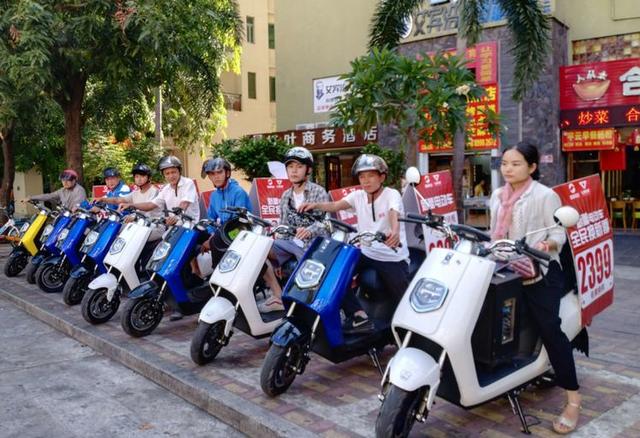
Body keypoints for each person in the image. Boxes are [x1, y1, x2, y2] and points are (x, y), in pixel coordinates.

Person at [489, 141, 581, 434]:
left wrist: (543, 245)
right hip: (505, 270)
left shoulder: (544, 196)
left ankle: (573, 400)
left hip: (540, 272)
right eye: (505, 163)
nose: (508, 169)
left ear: (532, 167)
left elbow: (559, 233)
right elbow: (495, 234)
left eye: (515, 164)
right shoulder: (496, 195)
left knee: (550, 330)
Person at [299, 154, 409, 333]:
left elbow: (393, 212)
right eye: (362, 177)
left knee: (404, 300)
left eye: (371, 176)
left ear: (382, 177)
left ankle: (408, 334)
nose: (366, 181)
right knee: (334, 277)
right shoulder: (358, 195)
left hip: (391, 256)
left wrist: (394, 231)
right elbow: (335, 206)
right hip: (365, 253)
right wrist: (315, 205)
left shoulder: (391, 194)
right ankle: (358, 315)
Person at [120, 155, 201, 321]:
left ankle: (182, 303)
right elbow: (152, 204)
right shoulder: (165, 189)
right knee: (159, 262)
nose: (170, 175)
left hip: (190, 229)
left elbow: (185, 203)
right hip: (173, 230)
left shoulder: (188, 184)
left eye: (173, 172)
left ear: (179, 171)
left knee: (177, 264)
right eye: (167, 173)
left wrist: (176, 214)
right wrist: (132, 205)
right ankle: (171, 298)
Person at [259, 146, 330, 313]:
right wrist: (277, 257)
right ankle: (278, 296)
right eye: (290, 167)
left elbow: (325, 223)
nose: (294, 171)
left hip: (312, 245)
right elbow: (283, 225)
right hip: (290, 244)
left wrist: (310, 230)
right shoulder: (285, 196)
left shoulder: (318, 192)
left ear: (308, 170)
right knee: (259, 251)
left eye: (299, 166)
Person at [98, 162, 164, 240]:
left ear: (149, 177)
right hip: (140, 223)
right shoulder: (135, 193)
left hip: (154, 225)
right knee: (115, 229)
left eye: (142, 176)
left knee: (132, 236)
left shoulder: (154, 191)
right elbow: (118, 199)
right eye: (136, 176)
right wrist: (102, 199)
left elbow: (148, 207)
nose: (139, 179)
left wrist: (132, 206)